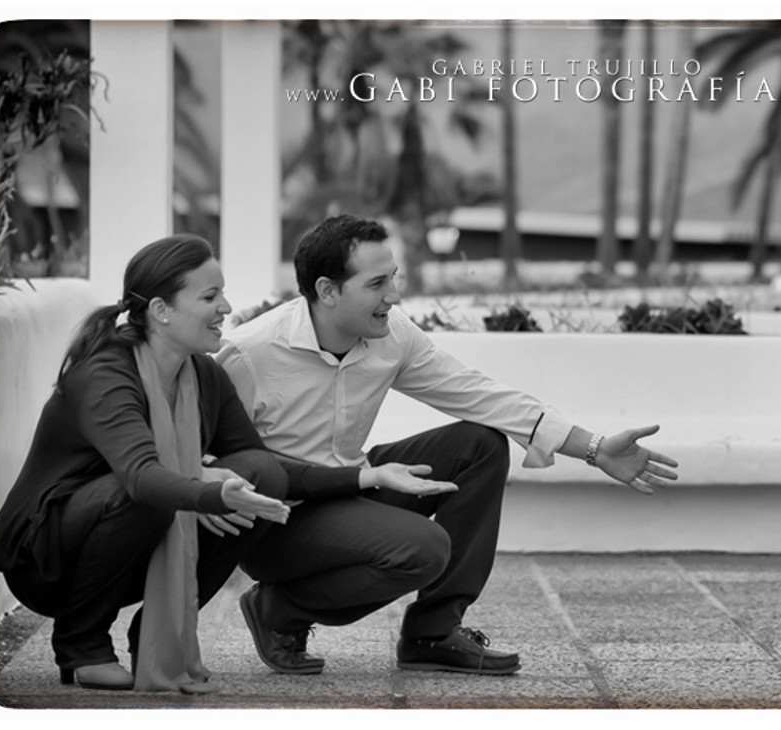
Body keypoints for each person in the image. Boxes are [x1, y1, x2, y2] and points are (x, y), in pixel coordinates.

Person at [215, 214, 679, 677]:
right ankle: (281, 610)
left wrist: (595, 448)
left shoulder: (392, 335)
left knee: (479, 443)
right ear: (328, 290)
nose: (394, 296)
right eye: (377, 284)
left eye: (393, 278)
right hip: (278, 519)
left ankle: (431, 633)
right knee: (424, 549)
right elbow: (208, 457)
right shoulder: (250, 353)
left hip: (354, 484)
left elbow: (482, 396)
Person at [0, 235, 294, 693]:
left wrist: (366, 475)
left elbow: (261, 463)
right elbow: (139, 475)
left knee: (261, 476)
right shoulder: (106, 374)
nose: (226, 307)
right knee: (148, 494)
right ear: (161, 309)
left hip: (127, 544)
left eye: (223, 294)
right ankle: (81, 646)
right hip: (47, 555)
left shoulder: (203, 375)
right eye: (210, 296)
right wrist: (206, 490)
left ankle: (156, 634)